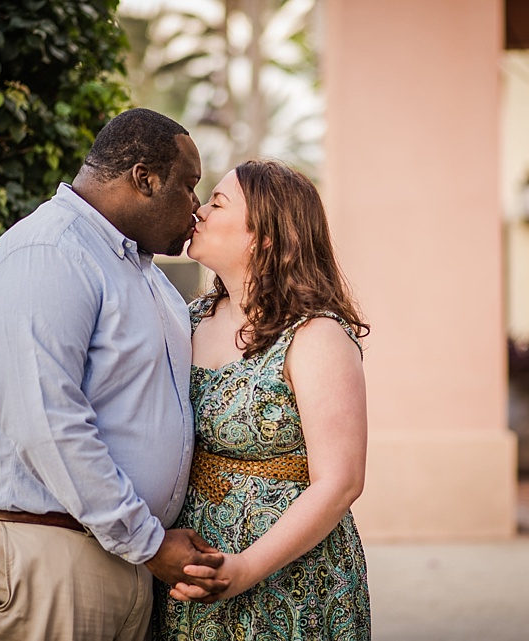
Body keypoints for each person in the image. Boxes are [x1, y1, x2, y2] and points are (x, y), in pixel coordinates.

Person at [0, 108, 228, 641]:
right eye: (189, 186)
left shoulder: (146, 277)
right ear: (144, 178)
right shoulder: (49, 253)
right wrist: (148, 541)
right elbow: (45, 422)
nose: (195, 207)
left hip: (118, 553)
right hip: (41, 551)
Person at [154, 159, 372, 640]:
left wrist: (246, 568)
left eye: (218, 201)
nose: (199, 210)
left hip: (290, 580)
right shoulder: (185, 319)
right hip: (190, 574)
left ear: (266, 236)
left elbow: (340, 481)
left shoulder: (316, 336)